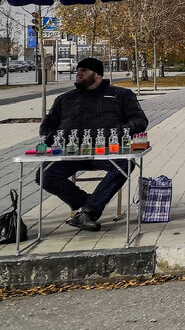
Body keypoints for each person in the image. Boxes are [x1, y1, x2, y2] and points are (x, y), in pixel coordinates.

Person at [37, 57, 148, 232]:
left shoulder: (121, 95)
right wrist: (54, 138)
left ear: (97, 75)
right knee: (45, 174)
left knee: (125, 164)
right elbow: (46, 126)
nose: (79, 74)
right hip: (70, 152)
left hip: (107, 151)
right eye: (78, 71)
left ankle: (89, 210)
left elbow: (140, 121)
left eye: (84, 71)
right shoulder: (64, 99)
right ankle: (88, 207)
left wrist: (118, 131)